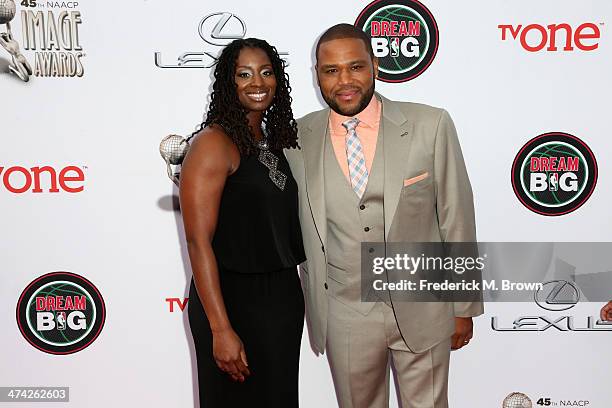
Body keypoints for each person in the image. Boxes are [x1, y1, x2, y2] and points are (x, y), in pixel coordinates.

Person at [285, 24, 483, 407]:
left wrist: (463, 305)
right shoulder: (297, 137)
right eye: (331, 70)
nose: (344, 80)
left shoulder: (430, 124)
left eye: (356, 67)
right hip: (345, 311)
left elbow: (456, 216)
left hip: (424, 304)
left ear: (375, 65)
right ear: (317, 76)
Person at [179, 38, 305, 407]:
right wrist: (220, 328)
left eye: (266, 72)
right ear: (227, 83)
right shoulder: (211, 144)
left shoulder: (272, 139)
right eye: (244, 74)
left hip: (281, 297)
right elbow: (198, 242)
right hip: (232, 300)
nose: (257, 82)